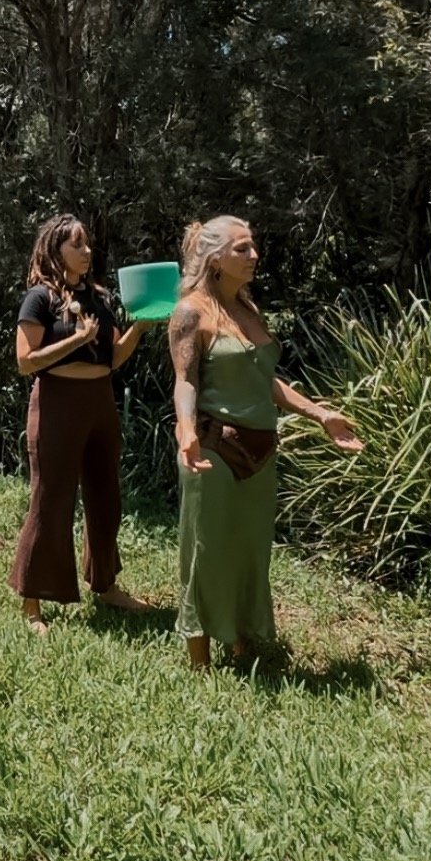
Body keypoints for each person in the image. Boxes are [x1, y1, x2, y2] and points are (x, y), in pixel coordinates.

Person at [168, 215, 362, 670]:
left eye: (253, 247)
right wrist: (187, 430)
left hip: (261, 451)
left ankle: (242, 643)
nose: (254, 256)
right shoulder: (190, 312)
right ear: (215, 258)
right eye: (242, 249)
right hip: (213, 450)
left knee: (249, 550)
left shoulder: (249, 309)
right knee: (207, 550)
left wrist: (321, 414)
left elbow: (265, 380)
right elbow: (185, 381)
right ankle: (199, 658)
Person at [10, 213, 149, 635]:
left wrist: (143, 321)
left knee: (106, 496)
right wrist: (74, 340)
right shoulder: (39, 299)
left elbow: (114, 357)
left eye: (88, 245)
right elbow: (24, 361)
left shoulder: (101, 298)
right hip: (57, 403)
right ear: (56, 251)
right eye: (77, 245)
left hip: (100, 402)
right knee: (51, 500)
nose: (87, 252)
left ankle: (105, 584)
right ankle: (32, 602)